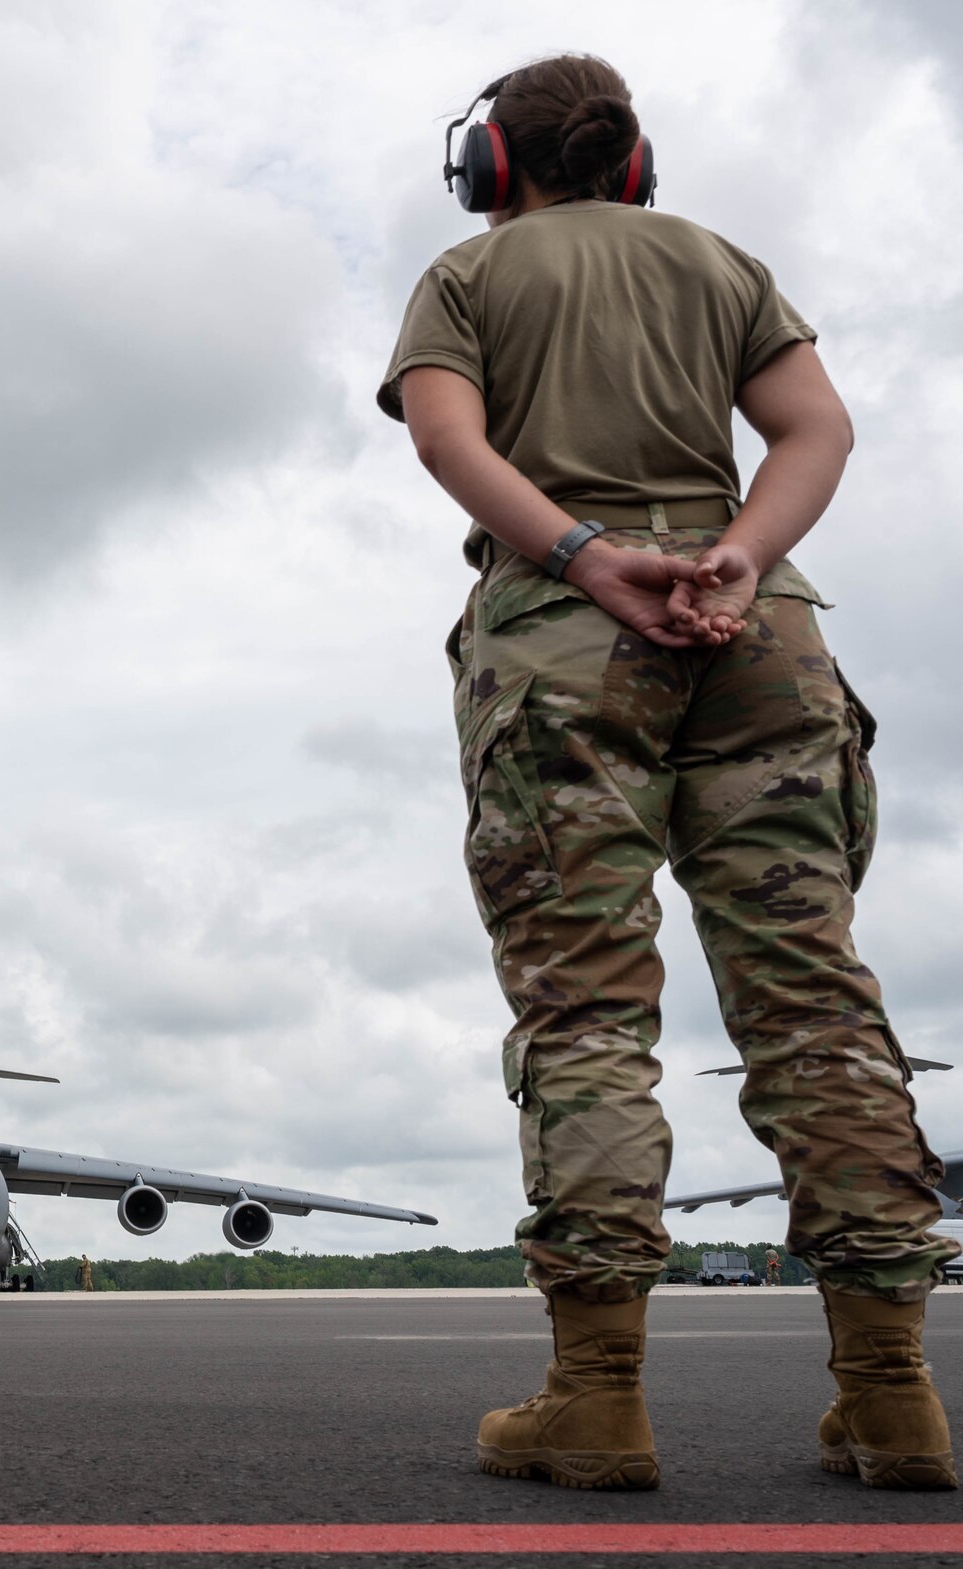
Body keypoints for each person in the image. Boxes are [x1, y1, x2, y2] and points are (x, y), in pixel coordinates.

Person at [381, 54, 956, 1491]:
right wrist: (741, 556)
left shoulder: (469, 276)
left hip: (571, 641)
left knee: (585, 1011)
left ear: (491, 170)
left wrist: (584, 555)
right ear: (634, 163)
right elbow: (816, 428)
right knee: (814, 994)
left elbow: (446, 437)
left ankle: (599, 1398)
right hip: (760, 631)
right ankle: (893, 1397)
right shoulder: (720, 261)